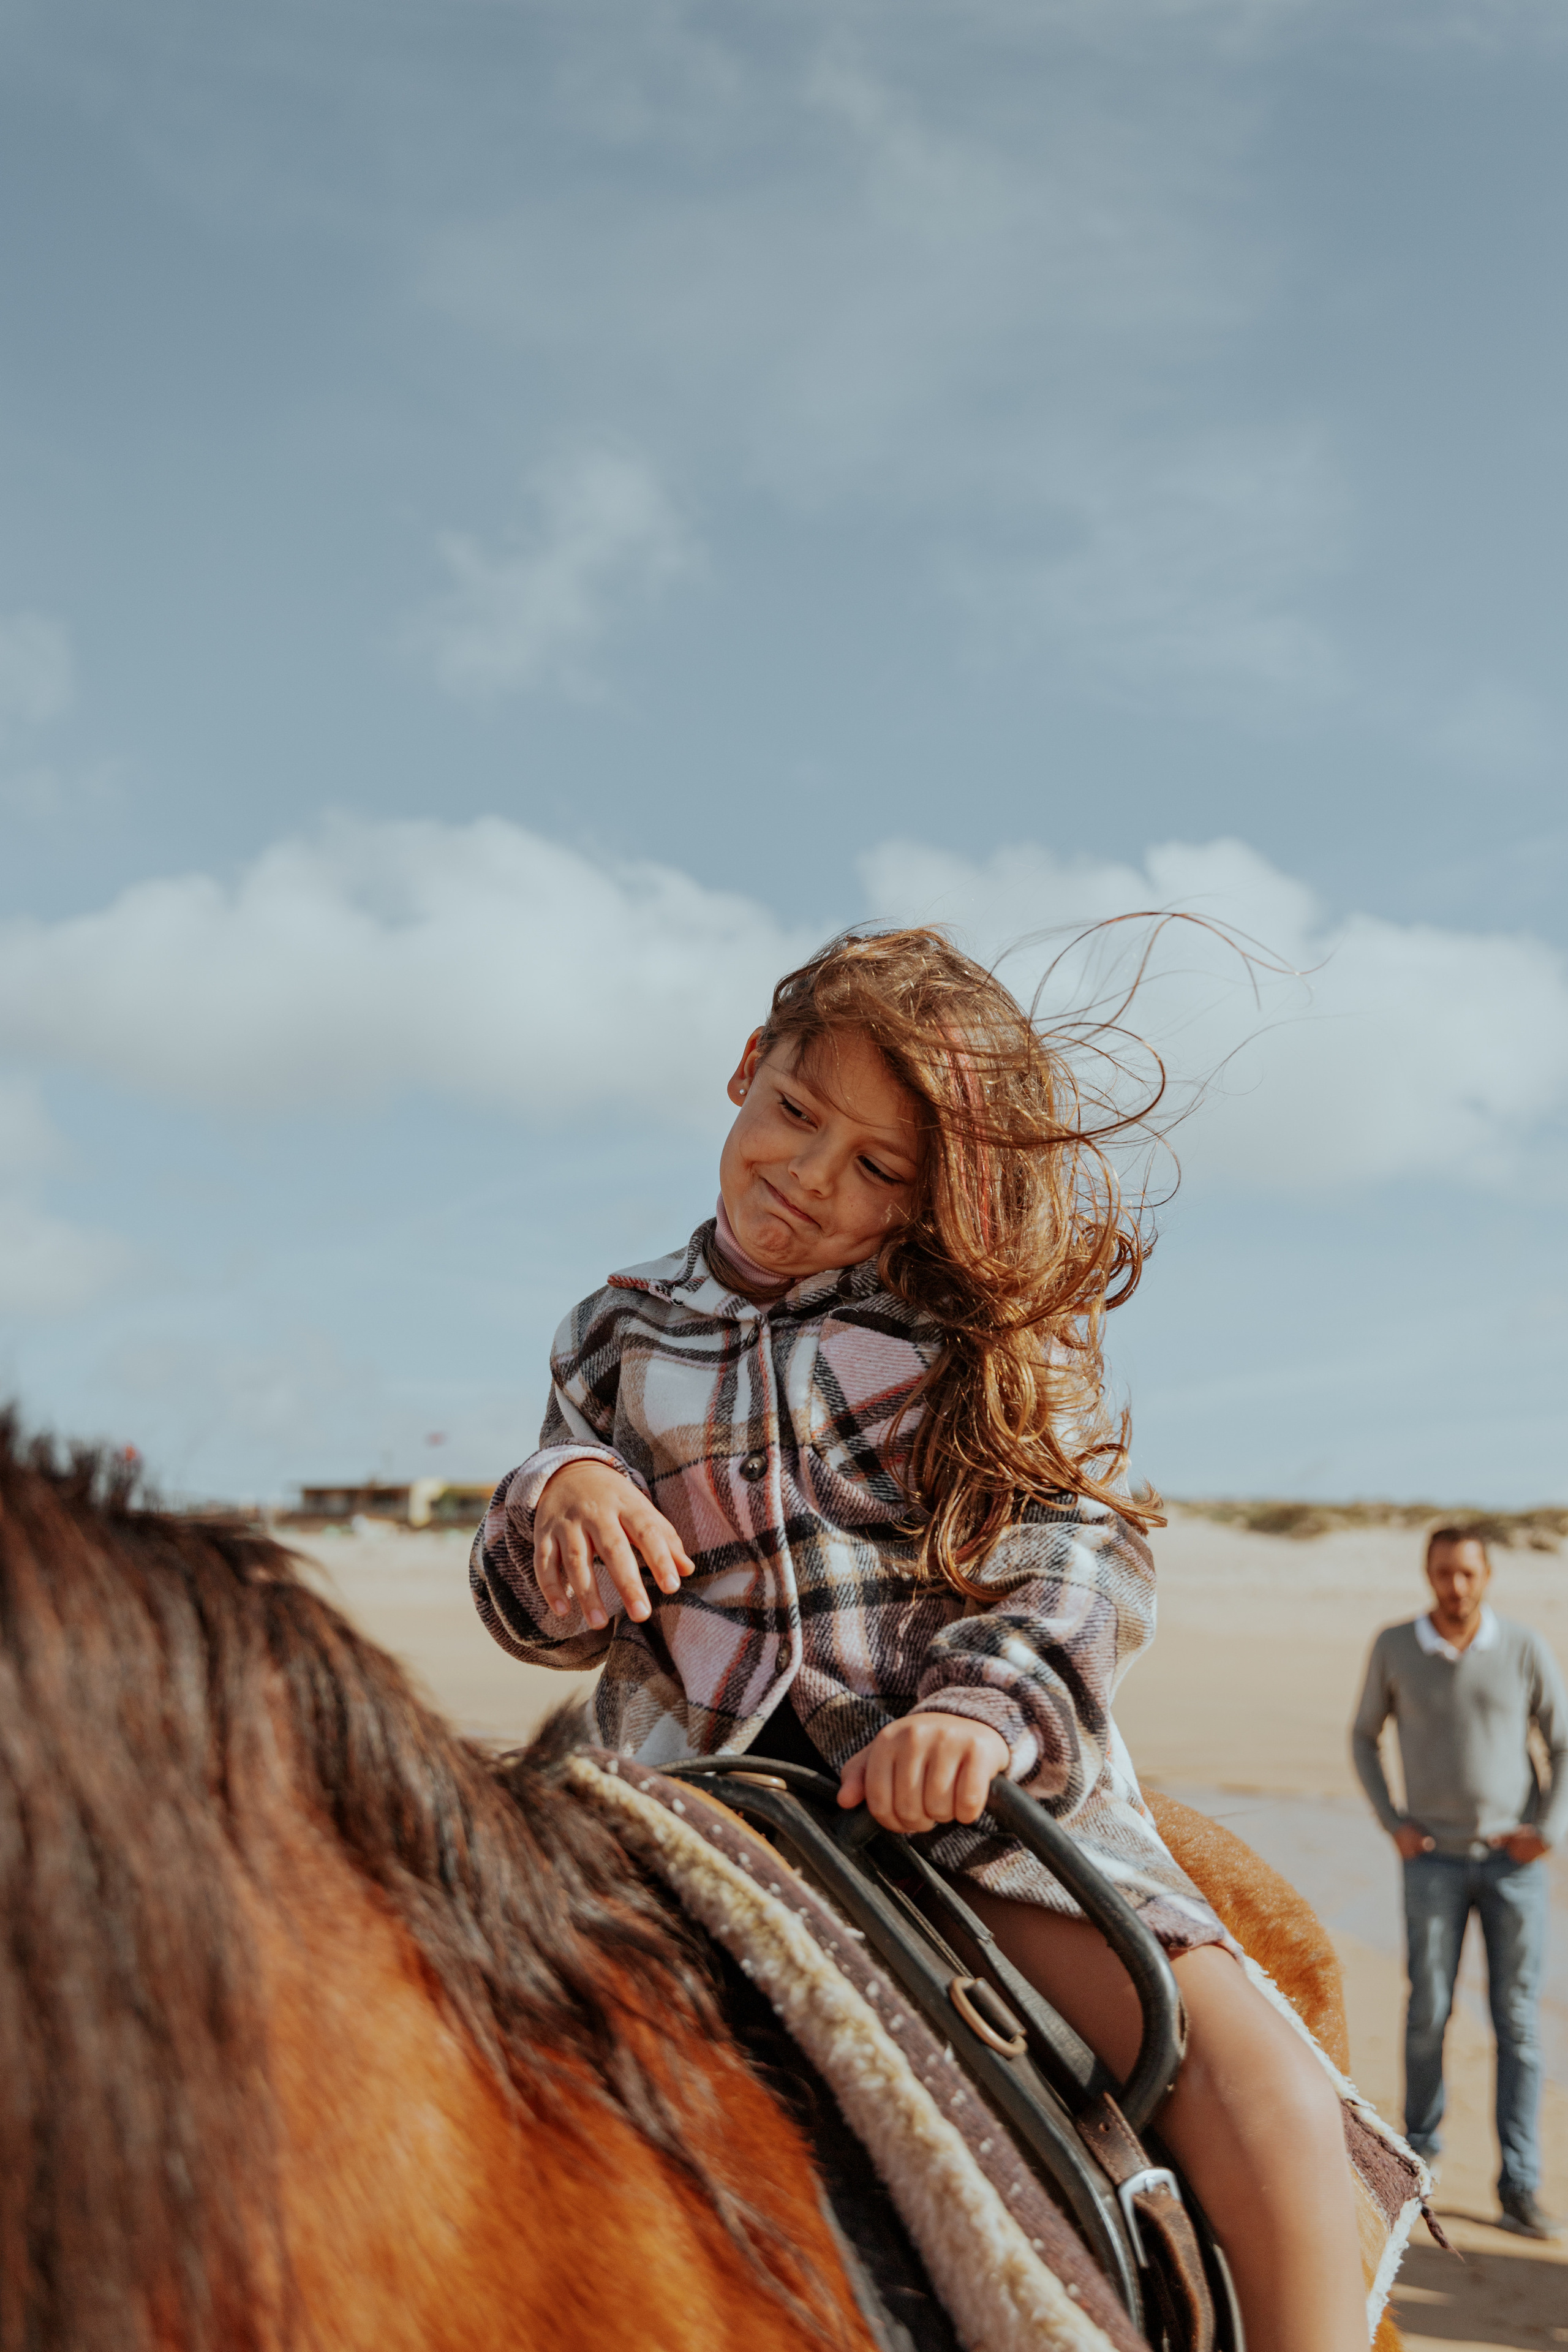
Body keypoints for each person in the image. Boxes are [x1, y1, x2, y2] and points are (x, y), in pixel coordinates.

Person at [473, 928, 1370, 2352]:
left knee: (1252, 2076)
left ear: (932, 1193)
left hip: (942, 1801)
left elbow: (1077, 1541)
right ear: (742, 1072)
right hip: (673, 1791)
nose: (810, 1179)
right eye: (793, 1113)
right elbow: (538, 1604)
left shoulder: (978, 1330)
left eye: (877, 1168)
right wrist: (558, 1502)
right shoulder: (615, 1329)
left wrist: (976, 1711)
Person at [1352, 1528, 1567, 2239]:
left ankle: (1520, 2186)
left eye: (1468, 1574)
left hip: (1513, 1864)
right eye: (1444, 1574)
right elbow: (1363, 1735)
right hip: (1431, 1862)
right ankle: (1421, 2160)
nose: (1456, 1587)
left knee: (1517, 2024)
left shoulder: (1524, 1647)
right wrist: (1394, 1822)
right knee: (1428, 2011)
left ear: (1487, 1575)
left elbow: (1561, 1742)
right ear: (1428, 1573)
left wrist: (1548, 1829)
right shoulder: (1394, 1647)